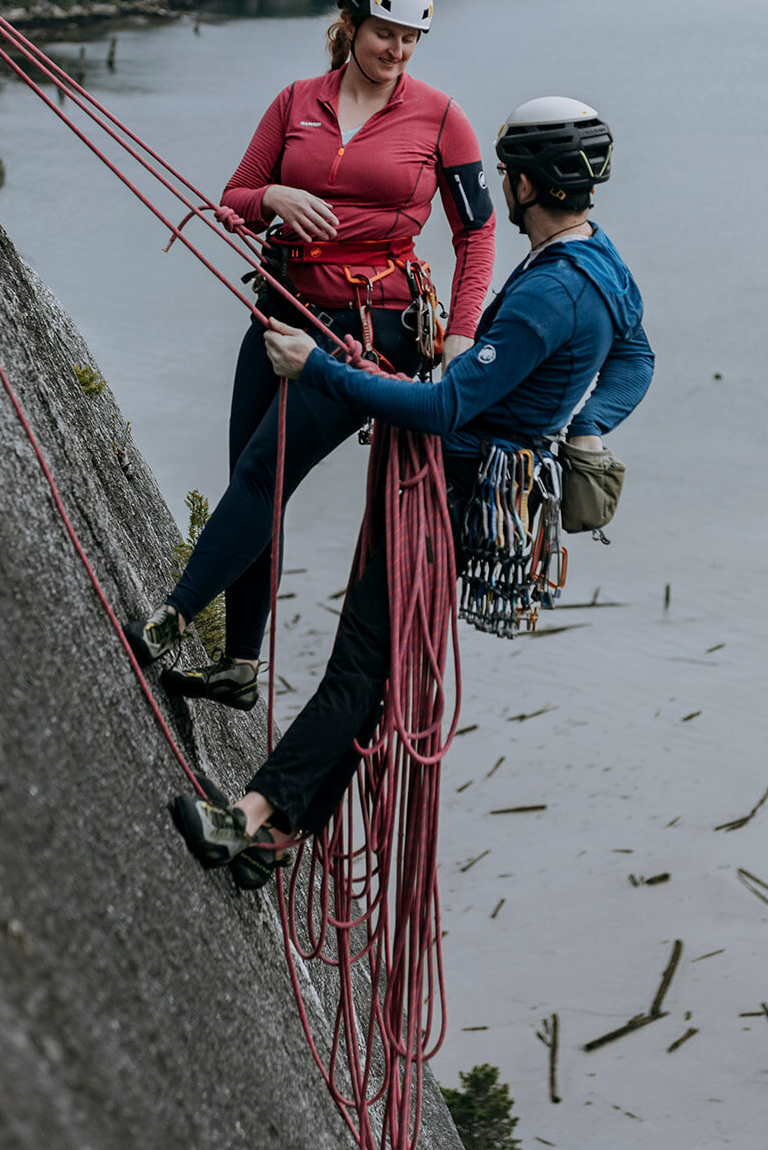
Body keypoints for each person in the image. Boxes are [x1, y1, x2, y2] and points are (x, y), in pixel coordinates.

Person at [168, 96, 654, 875]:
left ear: (526, 184)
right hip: (484, 494)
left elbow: (443, 406)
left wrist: (319, 368)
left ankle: (247, 818)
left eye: (505, 174)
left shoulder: (545, 295)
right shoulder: (599, 264)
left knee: (361, 664)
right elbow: (636, 358)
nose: (499, 185)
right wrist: (587, 425)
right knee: (376, 667)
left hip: (449, 494)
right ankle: (277, 838)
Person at [123, 0, 495, 710]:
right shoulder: (295, 101)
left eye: (411, 39)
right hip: (282, 307)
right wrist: (276, 199)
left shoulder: (440, 119)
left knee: (267, 469)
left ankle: (170, 617)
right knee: (252, 481)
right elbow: (236, 194)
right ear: (351, 22)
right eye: (385, 32)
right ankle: (236, 667)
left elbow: (478, 233)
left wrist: (460, 334)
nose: (397, 51)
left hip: (372, 328)